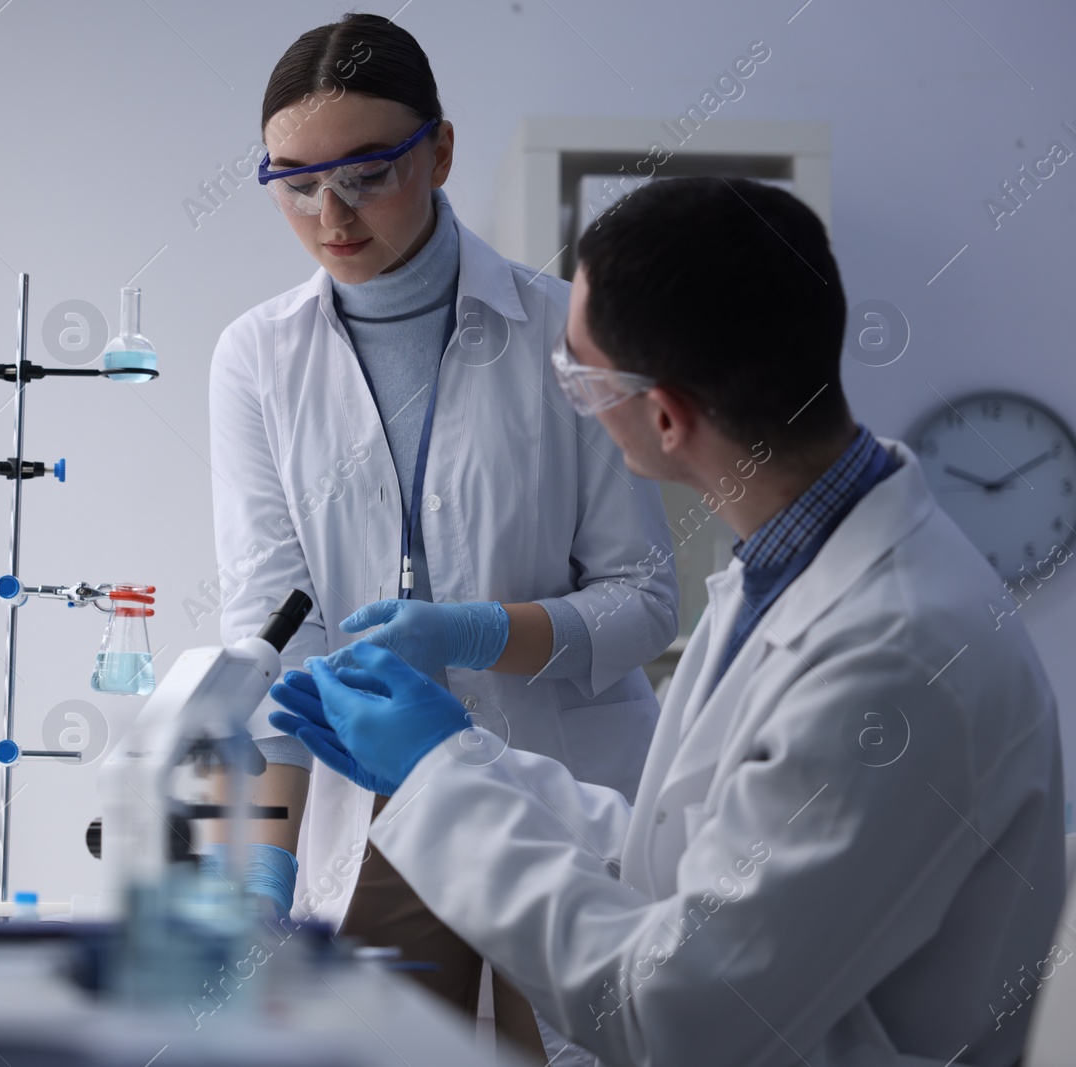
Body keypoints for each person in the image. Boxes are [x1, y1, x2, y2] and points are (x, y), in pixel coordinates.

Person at [269, 175, 1067, 1066]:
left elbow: (678, 1013)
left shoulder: (892, 659)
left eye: (575, 375)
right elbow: (683, 865)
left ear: (663, 415)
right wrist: (462, 756)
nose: (566, 391)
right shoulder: (789, 567)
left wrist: (433, 780)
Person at [207, 12, 676, 1059]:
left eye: (366, 173)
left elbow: (645, 598)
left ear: (441, 150)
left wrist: (470, 632)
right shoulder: (254, 360)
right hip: (370, 810)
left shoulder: (566, 330)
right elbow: (271, 631)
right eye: (291, 180)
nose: (329, 214)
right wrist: (261, 863)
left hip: (569, 798)